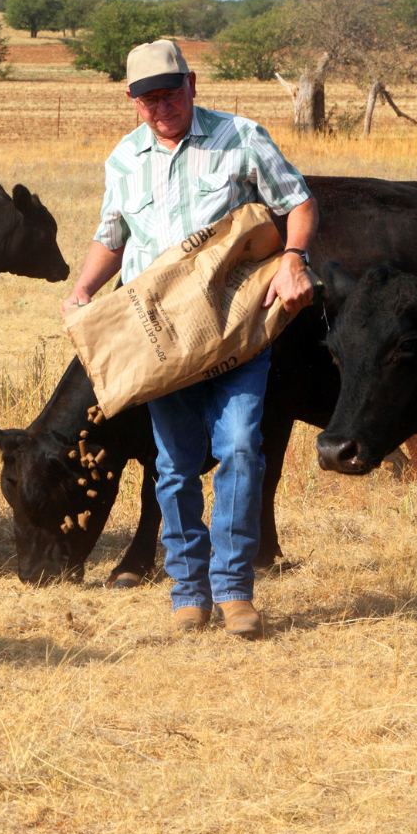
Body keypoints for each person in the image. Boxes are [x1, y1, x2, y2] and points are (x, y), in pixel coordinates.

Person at [62, 40, 318, 637]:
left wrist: (294, 259)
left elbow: (299, 202)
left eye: (169, 93)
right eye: (147, 98)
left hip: (235, 327)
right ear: (132, 102)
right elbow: (112, 237)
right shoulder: (124, 159)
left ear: (192, 85)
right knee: (173, 466)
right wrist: (82, 292)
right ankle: (188, 589)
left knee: (240, 448)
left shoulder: (240, 137)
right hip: (161, 340)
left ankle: (233, 591)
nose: (160, 107)